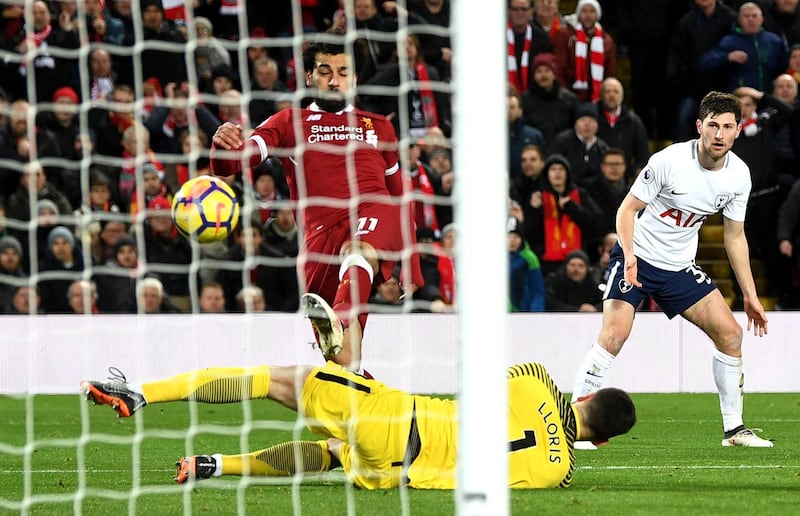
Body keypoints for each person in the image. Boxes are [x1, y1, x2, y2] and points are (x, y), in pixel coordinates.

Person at [209, 32, 422, 373]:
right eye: (325, 71)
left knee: (359, 246)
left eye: (342, 71)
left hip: (373, 216)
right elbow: (234, 163)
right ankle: (363, 412)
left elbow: (399, 195)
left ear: (353, 77)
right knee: (345, 368)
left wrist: (412, 260)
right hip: (319, 245)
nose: (334, 80)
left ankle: (338, 312)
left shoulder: (379, 126)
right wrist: (223, 150)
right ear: (309, 76)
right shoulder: (289, 122)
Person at [570, 91, 772, 448]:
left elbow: (735, 237)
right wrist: (628, 254)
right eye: (713, 125)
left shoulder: (739, 175)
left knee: (731, 334)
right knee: (614, 335)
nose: (720, 134)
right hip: (638, 258)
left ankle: (734, 430)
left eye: (728, 127)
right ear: (699, 127)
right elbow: (626, 211)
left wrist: (751, 295)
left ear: (738, 131)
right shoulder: (669, 161)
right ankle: (574, 424)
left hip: (679, 268)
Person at [80, 359, 636, 488]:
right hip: (397, 472)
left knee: (276, 379)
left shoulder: (537, 377)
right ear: (602, 440)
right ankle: (215, 464)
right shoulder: (560, 473)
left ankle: (142, 393)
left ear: (584, 392)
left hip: (403, 416)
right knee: (329, 453)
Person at [699, 2, 788, 93]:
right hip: (740, 95)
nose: (750, 19)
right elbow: (705, 62)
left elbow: (785, 65)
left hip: (769, 94)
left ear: (761, 20)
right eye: (746, 16)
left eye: (754, 16)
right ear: (739, 20)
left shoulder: (774, 41)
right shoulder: (729, 41)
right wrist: (728, 56)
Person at [553, 0, 617, 103]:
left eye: (592, 11)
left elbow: (609, 73)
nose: (588, 15)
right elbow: (560, 68)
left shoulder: (606, 41)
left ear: (597, 15)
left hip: (597, 96)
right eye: (584, 11)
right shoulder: (565, 35)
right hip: (569, 95)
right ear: (578, 13)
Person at [594, 77, 650, 182]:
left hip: (625, 179)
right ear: (601, 95)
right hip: (596, 180)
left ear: (622, 96)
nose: (612, 95)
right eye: (607, 91)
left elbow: (643, 155)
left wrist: (634, 174)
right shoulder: (593, 119)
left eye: (616, 92)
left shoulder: (634, 122)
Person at [507, 0, 552, 94]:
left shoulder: (542, 38)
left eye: (523, 9)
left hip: (535, 94)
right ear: (508, 11)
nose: (520, 13)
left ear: (531, 11)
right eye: (515, 9)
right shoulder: (496, 38)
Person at [508, 217, 545, 312]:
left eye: (516, 237)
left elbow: (537, 289)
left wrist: (536, 311)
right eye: (509, 236)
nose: (512, 240)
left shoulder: (530, 258)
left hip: (523, 312)